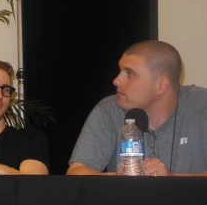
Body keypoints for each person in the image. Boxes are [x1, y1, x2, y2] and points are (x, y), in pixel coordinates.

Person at [68, 40, 207, 177]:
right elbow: (76, 171)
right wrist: (116, 177)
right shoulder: (108, 110)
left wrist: (172, 180)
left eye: (129, 73)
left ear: (161, 85)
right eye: (120, 71)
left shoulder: (201, 106)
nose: (116, 80)